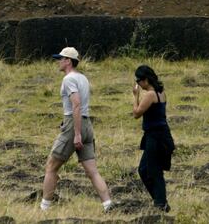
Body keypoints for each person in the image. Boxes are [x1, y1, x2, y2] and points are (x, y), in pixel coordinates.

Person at [40, 46, 114, 212]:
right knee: (92, 171)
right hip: (87, 124)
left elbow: (76, 104)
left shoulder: (68, 79)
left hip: (75, 126)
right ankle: (108, 204)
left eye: (60, 59)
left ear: (68, 61)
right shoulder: (83, 78)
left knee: (51, 167)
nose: (58, 62)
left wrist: (76, 133)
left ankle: (44, 208)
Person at [132, 64, 175, 212]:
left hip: (156, 137)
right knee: (145, 169)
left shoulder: (150, 95)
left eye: (138, 81)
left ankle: (160, 203)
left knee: (153, 171)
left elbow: (136, 113)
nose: (138, 84)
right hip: (161, 134)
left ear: (145, 80)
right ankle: (159, 200)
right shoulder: (161, 92)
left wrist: (135, 96)